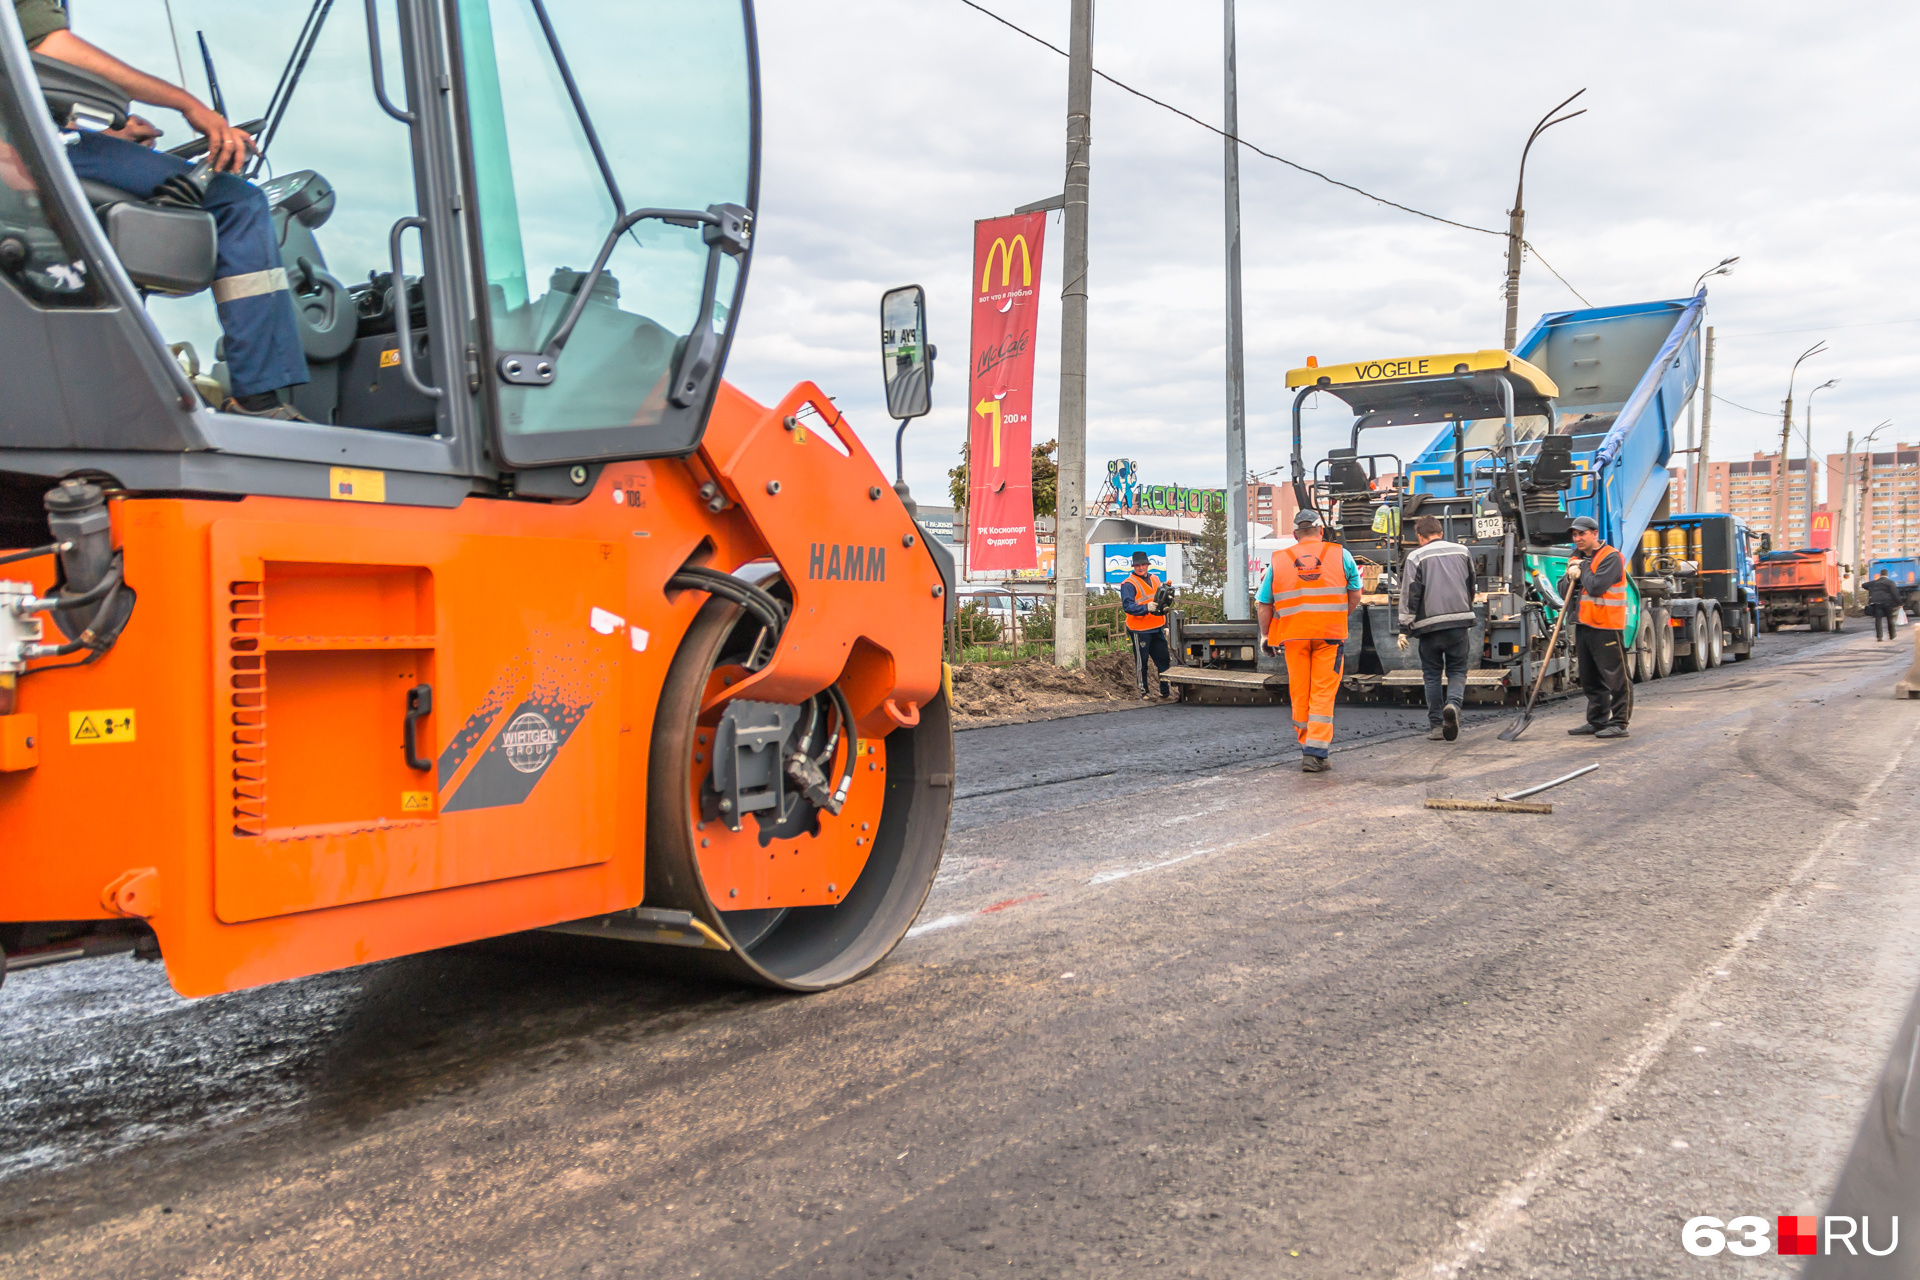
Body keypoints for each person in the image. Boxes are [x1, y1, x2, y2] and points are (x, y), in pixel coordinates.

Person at [18, 1, 311, 419]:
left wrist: (107, 130)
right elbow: (49, 47)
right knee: (239, 203)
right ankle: (259, 397)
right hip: (26, 147)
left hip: (36, 138)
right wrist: (189, 105)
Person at [1256, 509, 1361, 773]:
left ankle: (1307, 747)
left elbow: (1263, 603)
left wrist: (1266, 635)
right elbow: (1356, 594)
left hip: (1294, 636)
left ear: (1294, 534)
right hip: (1329, 635)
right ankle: (1316, 752)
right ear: (1321, 531)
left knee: (1300, 690)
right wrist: (1338, 615)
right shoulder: (1341, 554)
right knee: (1323, 691)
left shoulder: (1279, 560)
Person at [1396, 514, 1477, 742]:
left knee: (1431, 675)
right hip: (1459, 623)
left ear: (1420, 537)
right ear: (1441, 533)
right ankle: (1453, 704)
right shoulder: (1462, 551)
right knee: (1457, 671)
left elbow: (1411, 594)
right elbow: (1471, 584)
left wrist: (1404, 628)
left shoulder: (1416, 556)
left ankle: (1435, 726)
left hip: (1429, 627)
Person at [1565, 515, 1631, 739]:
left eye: (1582, 533)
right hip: (1584, 623)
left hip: (1606, 625)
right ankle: (1596, 721)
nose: (1577, 538)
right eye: (1574, 535)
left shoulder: (1611, 557)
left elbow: (1596, 587)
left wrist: (1582, 568)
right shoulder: (1575, 556)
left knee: (1616, 678)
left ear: (1594, 533)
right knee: (1590, 678)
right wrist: (1570, 575)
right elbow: (1565, 588)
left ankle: (1619, 722)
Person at [1120, 551, 1172, 699]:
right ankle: (1144, 692)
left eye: (1143, 564)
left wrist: (1166, 625)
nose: (1141, 567)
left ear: (1147, 565)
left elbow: (1162, 602)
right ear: (1133, 566)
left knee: (1163, 659)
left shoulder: (1155, 579)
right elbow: (1128, 607)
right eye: (1137, 565)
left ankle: (1165, 690)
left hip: (1156, 626)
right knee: (1142, 662)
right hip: (1139, 629)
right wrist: (1145, 608)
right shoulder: (1128, 584)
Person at [1866, 570, 1902, 642]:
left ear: (1880, 574)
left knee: (1878, 619)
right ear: (1887, 575)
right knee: (1890, 619)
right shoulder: (1890, 582)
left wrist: (1871, 589)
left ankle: (1879, 637)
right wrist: (1900, 603)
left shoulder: (1875, 582)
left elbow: (1864, 585)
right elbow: (1895, 593)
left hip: (1877, 603)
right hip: (1888, 603)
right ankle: (1892, 635)